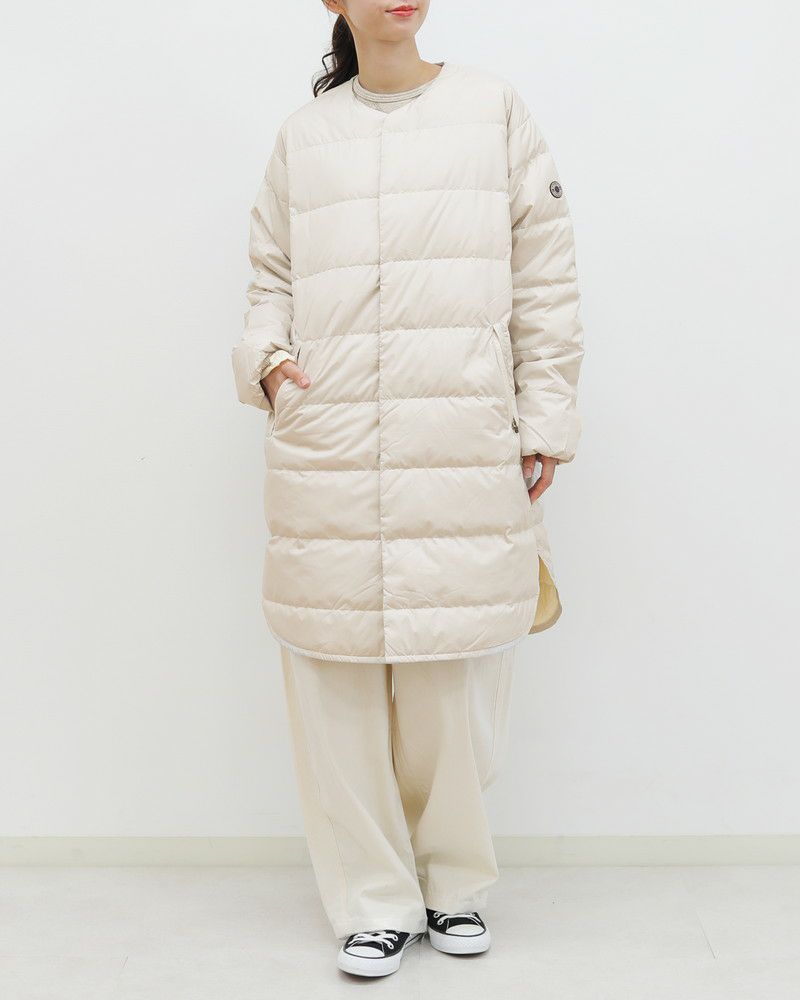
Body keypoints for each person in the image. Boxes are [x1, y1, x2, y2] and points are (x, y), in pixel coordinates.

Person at [231, 0, 584, 979]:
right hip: (331, 441)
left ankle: (453, 885)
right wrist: (268, 364)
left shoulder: (491, 108)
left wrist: (545, 416)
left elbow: (544, 276)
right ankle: (371, 902)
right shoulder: (305, 136)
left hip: (456, 436)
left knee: (449, 672)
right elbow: (269, 275)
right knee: (334, 676)